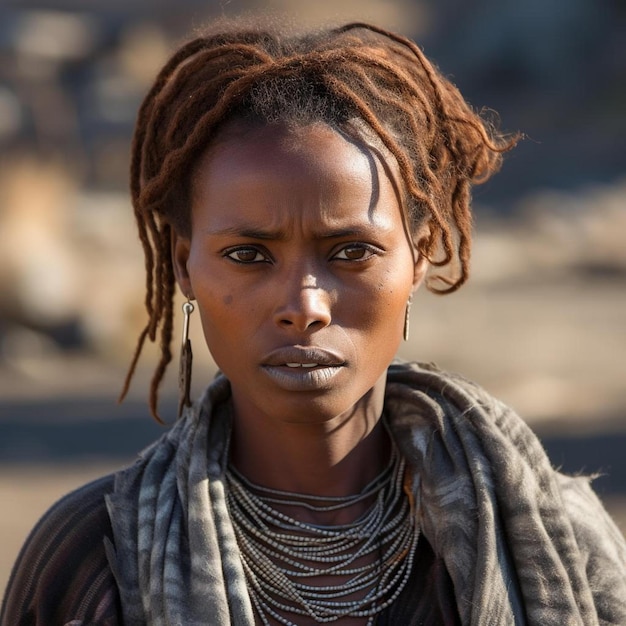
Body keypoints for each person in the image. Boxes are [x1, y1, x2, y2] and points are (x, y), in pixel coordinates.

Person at [2, 18, 625, 626]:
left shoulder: (557, 537)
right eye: (247, 255)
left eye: (352, 252)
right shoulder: (91, 559)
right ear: (184, 266)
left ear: (421, 253)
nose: (304, 306)